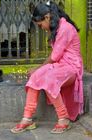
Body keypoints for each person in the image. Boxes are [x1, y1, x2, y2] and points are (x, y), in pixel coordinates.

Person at [11, 1, 83, 134]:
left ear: (48, 17)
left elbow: (54, 57)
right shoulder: (58, 27)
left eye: (40, 25)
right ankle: (27, 118)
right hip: (59, 66)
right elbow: (55, 59)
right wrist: (37, 71)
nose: (42, 28)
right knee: (36, 76)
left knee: (48, 78)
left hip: (72, 68)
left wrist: (38, 68)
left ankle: (63, 118)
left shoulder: (65, 28)